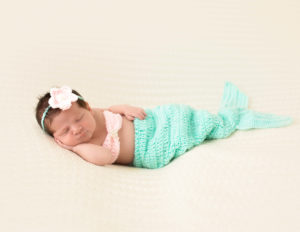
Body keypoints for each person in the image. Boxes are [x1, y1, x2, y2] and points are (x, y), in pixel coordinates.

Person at [35, 83, 292, 169]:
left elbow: (110, 109)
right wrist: (76, 148)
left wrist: (124, 108)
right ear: (57, 140)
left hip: (156, 120)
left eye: (78, 119)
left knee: (180, 114)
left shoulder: (96, 113)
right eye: (66, 131)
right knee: (189, 133)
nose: (77, 129)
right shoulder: (87, 146)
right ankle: (229, 118)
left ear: (87, 108)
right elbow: (102, 158)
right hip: (149, 148)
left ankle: (219, 117)